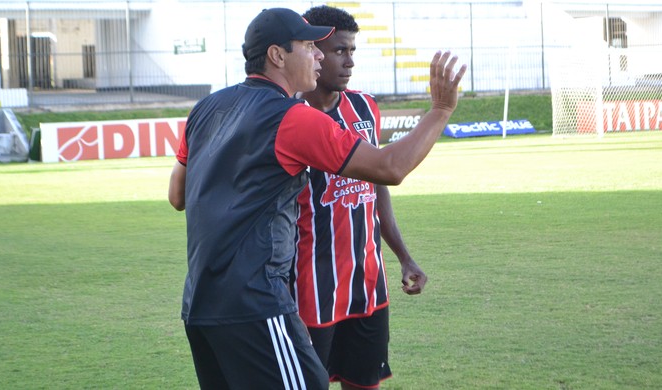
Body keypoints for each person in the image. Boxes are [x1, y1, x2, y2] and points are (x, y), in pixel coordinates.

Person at [168, 7, 466, 389]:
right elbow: (389, 168)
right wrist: (440, 110)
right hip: (257, 305)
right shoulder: (292, 117)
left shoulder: (207, 108)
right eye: (310, 46)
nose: (320, 55)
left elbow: (178, 195)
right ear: (278, 56)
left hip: (200, 306)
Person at [290, 6, 426, 389]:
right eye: (339, 51)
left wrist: (403, 256)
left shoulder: (364, 107)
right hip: (310, 288)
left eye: (353, 51)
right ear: (313, 52)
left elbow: (377, 183)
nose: (350, 62)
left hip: (368, 284)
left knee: (364, 383)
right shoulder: (288, 116)